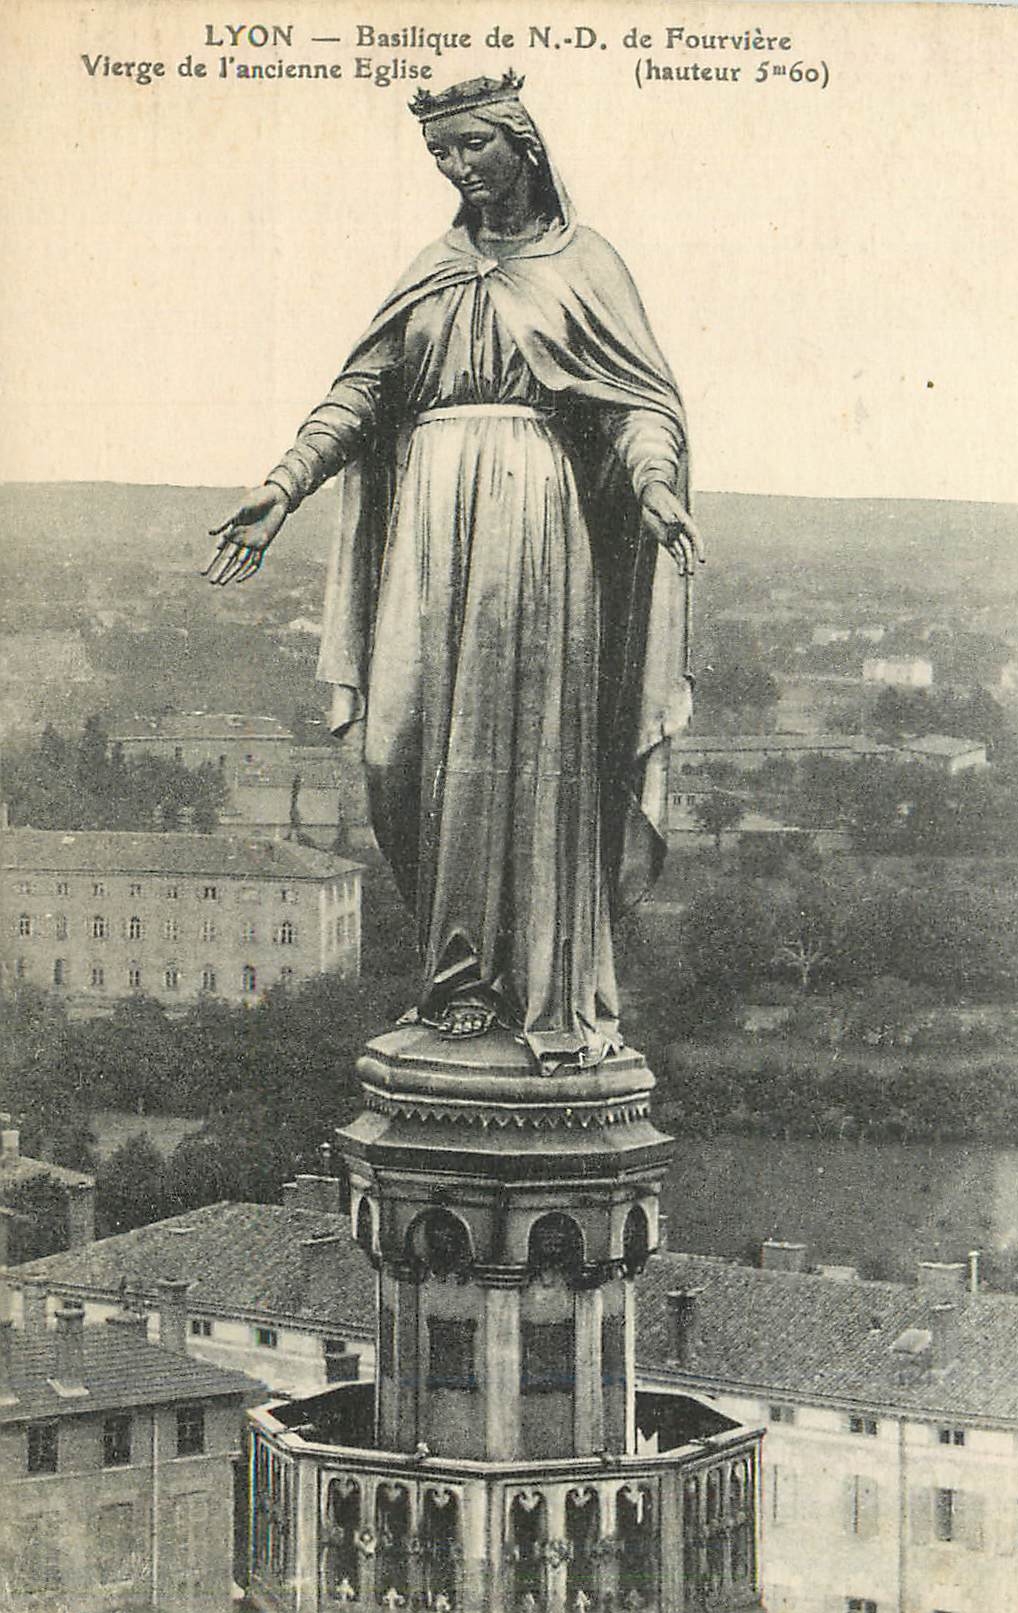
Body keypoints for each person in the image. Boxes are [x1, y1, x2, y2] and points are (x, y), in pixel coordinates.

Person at [205, 72, 702, 1072]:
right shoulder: (430, 270)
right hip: (428, 532)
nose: (458, 167)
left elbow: (636, 405)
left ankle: (518, 983)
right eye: (441, 153)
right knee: (399, 748)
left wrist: (653, 483)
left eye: (472, 146)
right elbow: (358, 393)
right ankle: (454, 966)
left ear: (523, 142)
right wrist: (284, 484)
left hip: (540, 528)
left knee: (529, 751)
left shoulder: (586, 264)